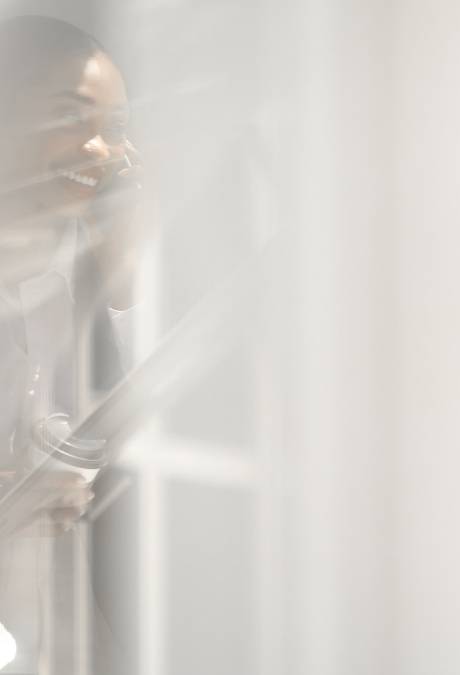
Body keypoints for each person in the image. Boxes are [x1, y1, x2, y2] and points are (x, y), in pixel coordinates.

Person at [0, 14, 148, 672]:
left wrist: (121, 253)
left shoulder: (75, 268)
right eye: (71, 117)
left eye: (115, 129)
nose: (100, 150)